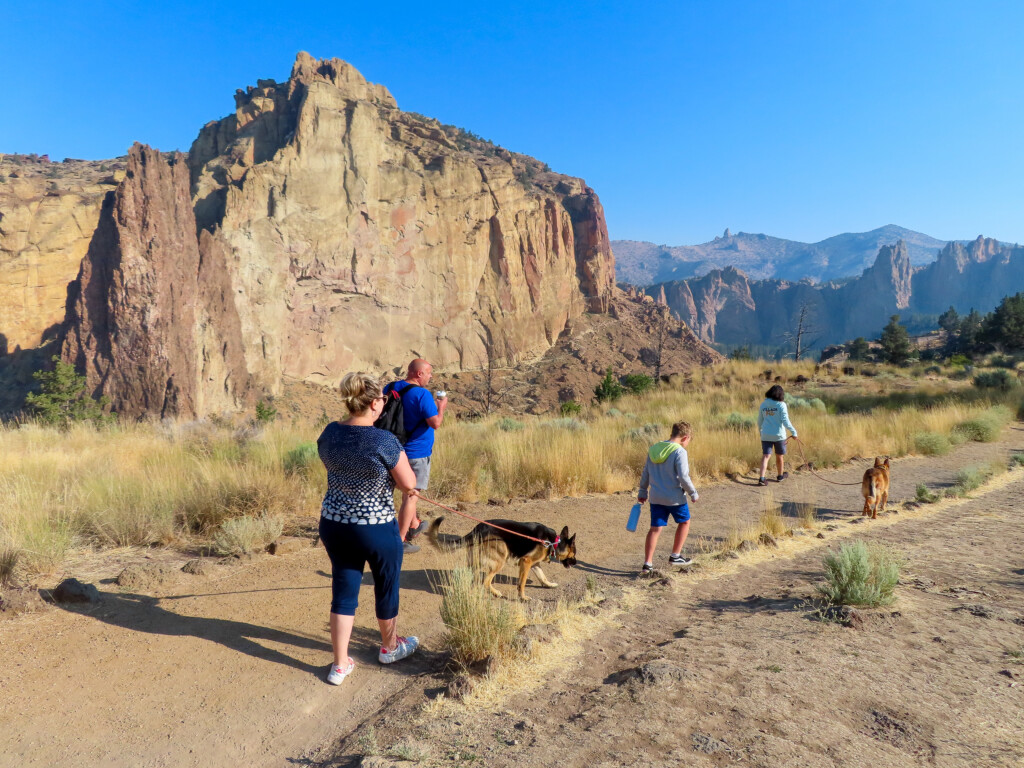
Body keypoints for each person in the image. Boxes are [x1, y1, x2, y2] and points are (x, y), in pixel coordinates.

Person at [316, 372, 420, 686]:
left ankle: (339, 665)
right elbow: (409, 486)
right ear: (374, 402)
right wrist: (400, 535)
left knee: (344, 592)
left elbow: (336, 468)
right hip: (375, 527)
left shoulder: (330, 433)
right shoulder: (383, 440)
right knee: (386, 586)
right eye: (382, 401)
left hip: (335, 524)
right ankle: (389, 647)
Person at [385, 359, 448, 553]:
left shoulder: (391, 387)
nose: (431, 377)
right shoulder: (422, 394)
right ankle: (401, 540)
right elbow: (435, 423)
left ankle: (414, 524)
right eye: (429, 373)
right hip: (416, 453)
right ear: (419, 374)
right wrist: (441, 406)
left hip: (391, 449)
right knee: (411, 497)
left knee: (402, 492)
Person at [637, 421, 699, 573]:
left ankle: (647, 564)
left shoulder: (653, 449)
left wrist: (642, 492)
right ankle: (675, 556)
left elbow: (646, 473)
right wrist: (693, 492)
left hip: (656, 497)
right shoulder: (679, 452)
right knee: (685, 522)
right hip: (674, 498)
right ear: (685, 437)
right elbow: (683, 476)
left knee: (655, 529)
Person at [757, 384, 798, 486]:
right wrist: (794, 432)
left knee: (766, 456)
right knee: (779, 456)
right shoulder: (781, 405)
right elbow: (785, 421)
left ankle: (762, 478)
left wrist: (761, 432)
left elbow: (759, 421)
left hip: (765, 434)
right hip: (779, 436)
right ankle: (780, 476)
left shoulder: (763, 404)